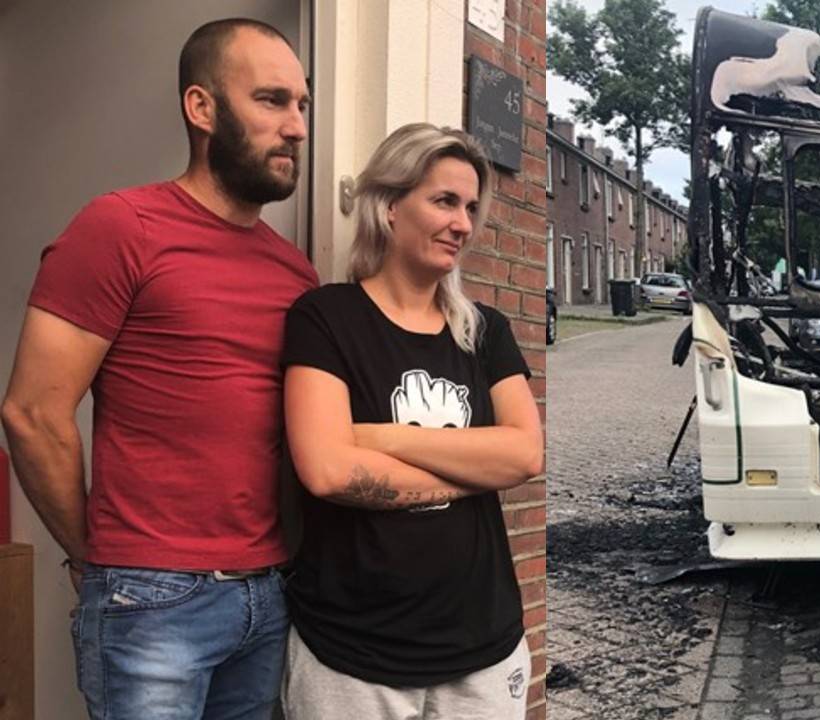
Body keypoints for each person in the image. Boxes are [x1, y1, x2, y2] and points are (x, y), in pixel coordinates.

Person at [0, 18, 316, 720]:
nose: (295, 125)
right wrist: (95, 554)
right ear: (201, 108)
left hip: (266, 596)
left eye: (303, 104)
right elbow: (31, 411)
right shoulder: (119, 228)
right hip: (152, 599)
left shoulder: (296, 273)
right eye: (271, 100)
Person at [280, 123, 543, 720]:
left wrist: (382, 438)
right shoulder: (325, 319)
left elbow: (525, 456)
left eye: (471, 207)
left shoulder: (484, 331)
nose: (463, 224)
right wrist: (477, 466)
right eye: (444, 201)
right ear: (391, 205)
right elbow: (326, 472)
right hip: (353, 654)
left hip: (483, 648)